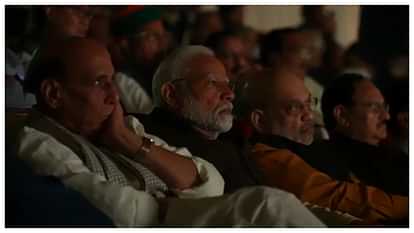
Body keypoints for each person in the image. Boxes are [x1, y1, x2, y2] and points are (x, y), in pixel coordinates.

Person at [16, 37, 324, 227]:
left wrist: (131, 143)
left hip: (177, 216)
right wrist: (169, 202)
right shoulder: (33, 140)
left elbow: (211, 182)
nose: (114, 94)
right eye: (99, 82)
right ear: (54, 94)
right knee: (266, 205)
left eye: (113, 80)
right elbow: (115, 210)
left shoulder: (125, 128)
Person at [237, 68, 408, 224]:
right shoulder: (265, 153)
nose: (309, 115)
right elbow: (336, 197)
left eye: (309, 104)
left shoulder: (320, 148)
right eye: (294, 108)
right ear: (259, 120)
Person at [140, 45, 262, 193]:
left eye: (228, 85)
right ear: (171, 94)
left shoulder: (234, 142)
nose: (229, 94)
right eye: (212, 83)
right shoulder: (146, 135)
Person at [316, 73, 408, 196]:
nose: (387, 116)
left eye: (385, 108)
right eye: (375, 108)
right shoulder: (331, 164)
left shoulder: (391, 154)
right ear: (342, 115)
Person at [111, 6, 169, 114]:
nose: (162, 44)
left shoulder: (155, 75)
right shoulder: (121, 80)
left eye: (163, 36)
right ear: (125, 44)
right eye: (152, 37)